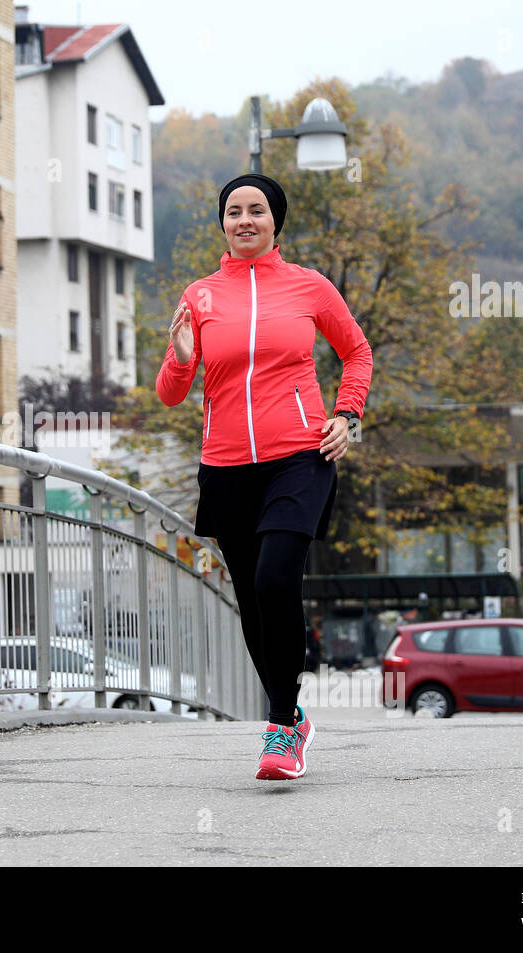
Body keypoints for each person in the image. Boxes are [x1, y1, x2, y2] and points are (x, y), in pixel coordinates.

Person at [156, 173, 373, 781]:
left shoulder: (309, 287)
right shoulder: (199, 297)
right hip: (226, 466)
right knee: (252, 600)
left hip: (300, 456)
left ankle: (280, 727)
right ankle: (292, 716)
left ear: (275, 220)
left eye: (256, 210)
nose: (244, 220)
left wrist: (347, 415)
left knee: (278, 578)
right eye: (233, 211)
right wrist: (178, 355)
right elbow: (172, 393)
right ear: (221, 223)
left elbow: (356, 351)